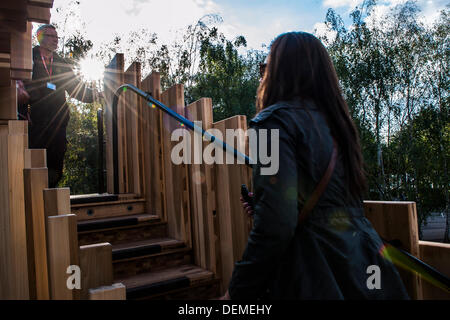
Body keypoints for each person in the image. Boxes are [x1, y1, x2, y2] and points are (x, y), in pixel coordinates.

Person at [222, 32, 409, 299]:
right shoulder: (340, 123)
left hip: (314, 270)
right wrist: (270, 205)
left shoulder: (270, 123)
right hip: (364, 261)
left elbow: (275, 227)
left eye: (265, 68)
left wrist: (236, 291)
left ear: (282, 72)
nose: (262, 77)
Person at [18, 24, 101, 188]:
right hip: (35, 121)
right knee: (35, 164)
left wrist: (96, 94)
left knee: (56, 162)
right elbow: (18, 85)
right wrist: (22, 110)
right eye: (51, 36)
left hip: (58, 122)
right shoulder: (29, 57)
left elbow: (76, 88)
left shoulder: (61, 63)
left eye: (57, 37)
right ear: (40, 38)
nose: (56, 40)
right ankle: (34, 200)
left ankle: (52, 199)